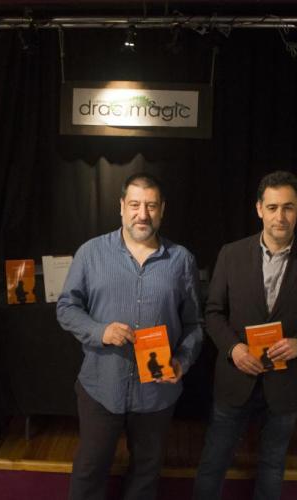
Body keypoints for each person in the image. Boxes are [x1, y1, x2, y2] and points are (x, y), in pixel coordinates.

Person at [57, 172, 203, 500]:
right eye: (135, 205)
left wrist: (182, 361)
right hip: (101, 387)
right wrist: (100, 331)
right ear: (121, 207)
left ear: (162, 209)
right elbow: (66, 308)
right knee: (89, 472)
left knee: (146, 476)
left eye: (151, 205)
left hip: (157, 392)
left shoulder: (182, 260)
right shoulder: (91, 253)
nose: (143, 214)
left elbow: (194, 324)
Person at [194, 171, 297, 500]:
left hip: (286, 384)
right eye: (272, 207)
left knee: (272, 467)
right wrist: (234, 349)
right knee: (213, 462)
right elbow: (212, 312)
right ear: (259, 209)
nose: (280, 216)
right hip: (236, 377)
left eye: (288, 207)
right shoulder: (231, 254)